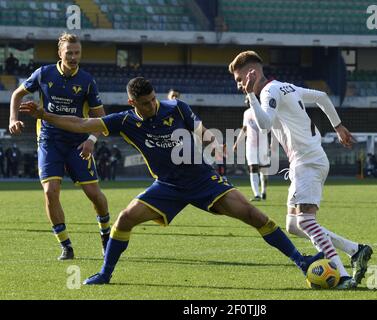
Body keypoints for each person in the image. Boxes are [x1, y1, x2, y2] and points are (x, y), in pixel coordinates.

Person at [20, 77, 324, 285]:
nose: (153, 104)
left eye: (153, 99)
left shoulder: (176, 107)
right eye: (146, 102)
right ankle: (105, 273)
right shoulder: (124, 121)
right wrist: (44, 115)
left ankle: (301, 261)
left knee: (255, 215)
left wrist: (213, 144)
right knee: (124, 220)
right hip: (167, 187)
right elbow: (81, 123)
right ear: (132, 101)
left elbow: (200, 129)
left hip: (203, 179)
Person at [229, 51, 373, 289]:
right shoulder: (286, 86)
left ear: (249, 73)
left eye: (238, 79)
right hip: (308, 161)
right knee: (293, 225)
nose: (238, 85)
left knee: (305, 221)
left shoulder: (268, 92)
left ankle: (343, 275)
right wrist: (338, 127)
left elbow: (264, 124)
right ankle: (355, 249)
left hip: (307, 162)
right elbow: (322, 97)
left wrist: (249, 94)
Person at [9, 32, 111, 260]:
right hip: (49, 140)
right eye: (69, 53)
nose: (74, 57)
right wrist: (13, 119)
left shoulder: (87, 81)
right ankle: (65, 245)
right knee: (50, 191)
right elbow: (17, 94)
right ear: (60, 53)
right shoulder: (44, 74)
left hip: (77, 143)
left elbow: (101, 120)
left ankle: (105, 234)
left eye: (77, 53)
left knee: (94, 194)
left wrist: (91, 140)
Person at [234, 96, 270, 201]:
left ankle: (263, 191)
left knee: (264, 170)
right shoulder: (246, 113)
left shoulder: (263, 111)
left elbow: (269, 127)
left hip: (263, 145)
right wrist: (237, 142)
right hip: (250, 145)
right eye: (246, 100)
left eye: (248, 100)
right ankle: (257, 194)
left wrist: (273, 142)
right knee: (252, 168)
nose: (247, 102)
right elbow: (244, 129)